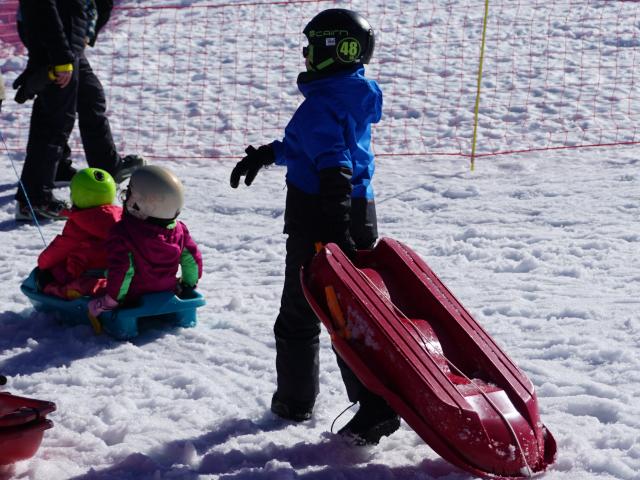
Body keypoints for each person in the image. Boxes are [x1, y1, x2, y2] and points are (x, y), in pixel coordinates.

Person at [230, 9, 400, 445]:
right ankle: (371, 399)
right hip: (357, 212)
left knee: (303, 317)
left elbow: (333, 165)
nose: (304, 54)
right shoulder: (347, 96)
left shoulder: (321, 105)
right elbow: (311, 147)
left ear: (333, 48)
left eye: (310, 45)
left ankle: (300, 401)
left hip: (320, 220)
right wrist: (268, 154)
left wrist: (334, 232)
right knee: (349, 313)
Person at [13, 0, 144, 221]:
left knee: (91, 98)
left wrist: (84, 35)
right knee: (54, 120)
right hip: (55, 43)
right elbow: (38, 6)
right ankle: (33, 201)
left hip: (71, 39)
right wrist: (60, 56)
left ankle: (98, 166)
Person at [88, 166, 203, 318]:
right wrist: (188, 285)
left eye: (129, 193)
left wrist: (111, 301)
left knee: (85, 284)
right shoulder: (179, 231)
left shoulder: (122, 233)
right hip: (168, 292)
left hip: (131, 298)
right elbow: (192, 261)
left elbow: (122, 270)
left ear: (137, 204)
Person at [36, 168, 122, 299]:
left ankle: (50, 289)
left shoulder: (79, 224)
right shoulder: (122, 218)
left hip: (86, 275)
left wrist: (43, 265)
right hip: (118, 274)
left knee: (51, 275)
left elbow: (56, 252)